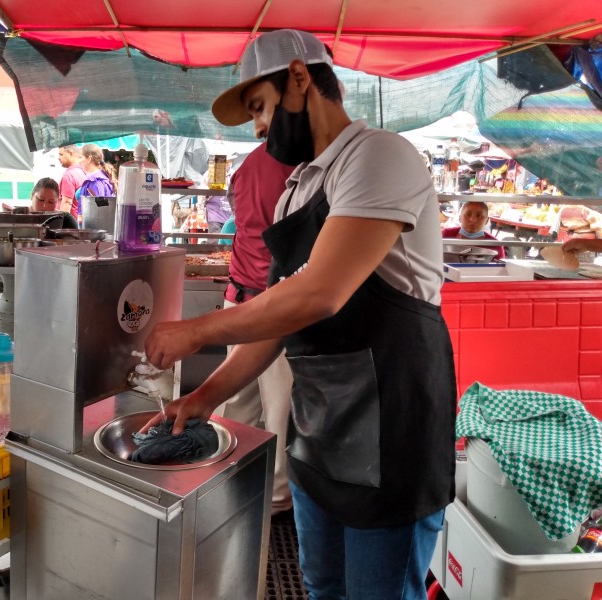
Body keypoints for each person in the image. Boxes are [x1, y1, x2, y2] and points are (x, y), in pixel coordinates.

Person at [142, 29, 456, 600]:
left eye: (260, 107)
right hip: (320, 433)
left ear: (300, 79)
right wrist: (203, 397)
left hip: (392, 431)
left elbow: (320, 294)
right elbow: (278, 318)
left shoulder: (378, 155)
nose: (259, 127)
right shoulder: (295, 190)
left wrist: (195, 332)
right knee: (322, 588)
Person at [212, 142, 296, 516]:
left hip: (240, 298)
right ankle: (275, 501)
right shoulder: (302, 168)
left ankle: (229, 484)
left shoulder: (248, 166)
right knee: (280, 408)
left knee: (237, 401)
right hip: (274, 304)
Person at [58, 144, 86, 220]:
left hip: (70, 224)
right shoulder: (84, 171)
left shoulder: (69, 175)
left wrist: (61, 224)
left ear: (70, 153)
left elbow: (67, 203)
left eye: (61, 154)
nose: (58, 158)